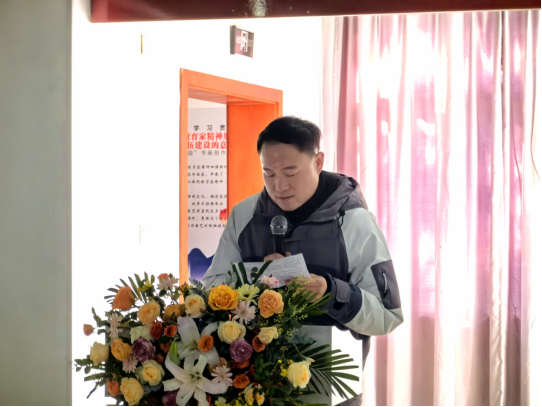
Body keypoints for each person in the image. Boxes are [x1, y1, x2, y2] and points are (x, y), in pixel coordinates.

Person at [203, 116, 403, 406]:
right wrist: (257, 279)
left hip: (331, 388)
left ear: (318, 162)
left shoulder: (355, 222)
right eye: (268, 173)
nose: (279, 185)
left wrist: (330, 292)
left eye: (290, 172)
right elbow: (212, 288)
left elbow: (387, 315)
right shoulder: (244, 215)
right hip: (255, 387)